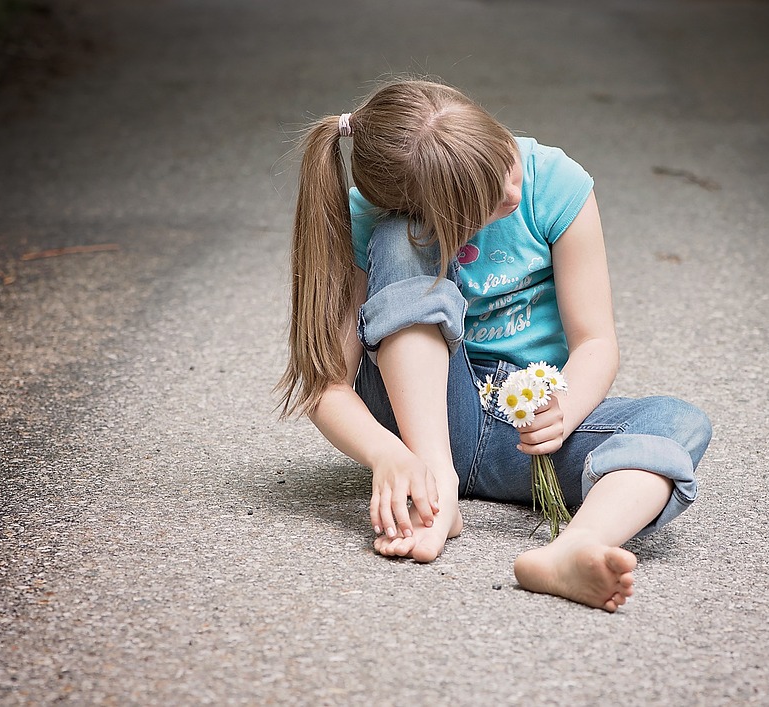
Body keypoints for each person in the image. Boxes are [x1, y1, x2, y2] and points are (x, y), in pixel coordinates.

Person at [277, 79, 712, 612]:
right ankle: (438, 485)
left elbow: (596, 340)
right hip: (426, 416)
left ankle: (574, 549)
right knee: (399, 240)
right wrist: (390, 456)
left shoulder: (552, 182)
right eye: (486, 202)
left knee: (677, 422)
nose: (513, 192)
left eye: (505, 161)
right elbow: (327, 386)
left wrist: (566, 410)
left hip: (527, 434)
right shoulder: (374, 218)